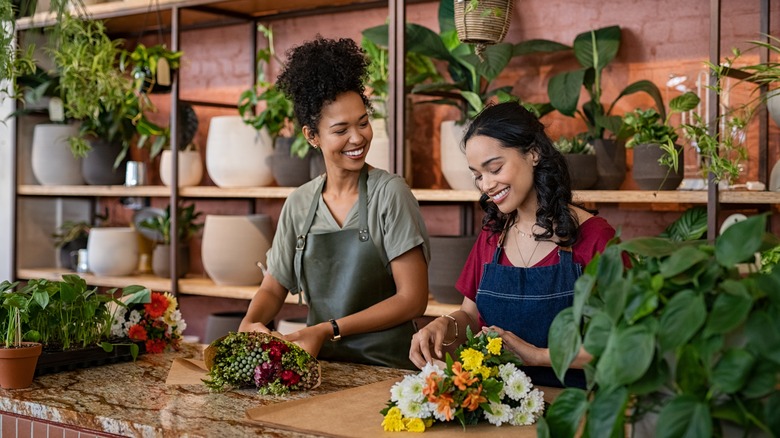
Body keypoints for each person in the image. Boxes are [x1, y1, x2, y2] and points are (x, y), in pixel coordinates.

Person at [239, 36, 430, 370]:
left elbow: (412, 299)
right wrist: (249, 324)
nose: (357, 138)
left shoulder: (390, 193)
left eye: (363, 122)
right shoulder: (299, 204)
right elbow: (273, 288)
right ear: (312, 136)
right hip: (323, 368)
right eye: (341, 129)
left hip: (387, 370)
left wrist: (328, 330)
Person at [409, 102, 617, 387]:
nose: (486, 185)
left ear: (533, 153)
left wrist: (538, 355)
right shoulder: (494, 236)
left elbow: (622, 343)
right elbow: (470, 314)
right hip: (496, 405)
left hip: (571, 407)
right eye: (478, 175)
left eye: (495, 168)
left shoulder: (595, 238)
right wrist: (445, 324)